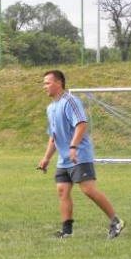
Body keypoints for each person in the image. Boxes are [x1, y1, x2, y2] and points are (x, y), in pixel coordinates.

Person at [37, 70, 125, 239]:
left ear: (58, 83)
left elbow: (82, 124)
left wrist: (73, 147)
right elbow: (53, 136)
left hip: (79, 155)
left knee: (88, 190)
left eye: (47, 83)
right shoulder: (50, 108)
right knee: (62, 191)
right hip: (64, 159)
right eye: (43, 83)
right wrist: (47, 157)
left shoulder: (70, 101)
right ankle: (67, 231)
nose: (44, 87)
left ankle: (116, 221)